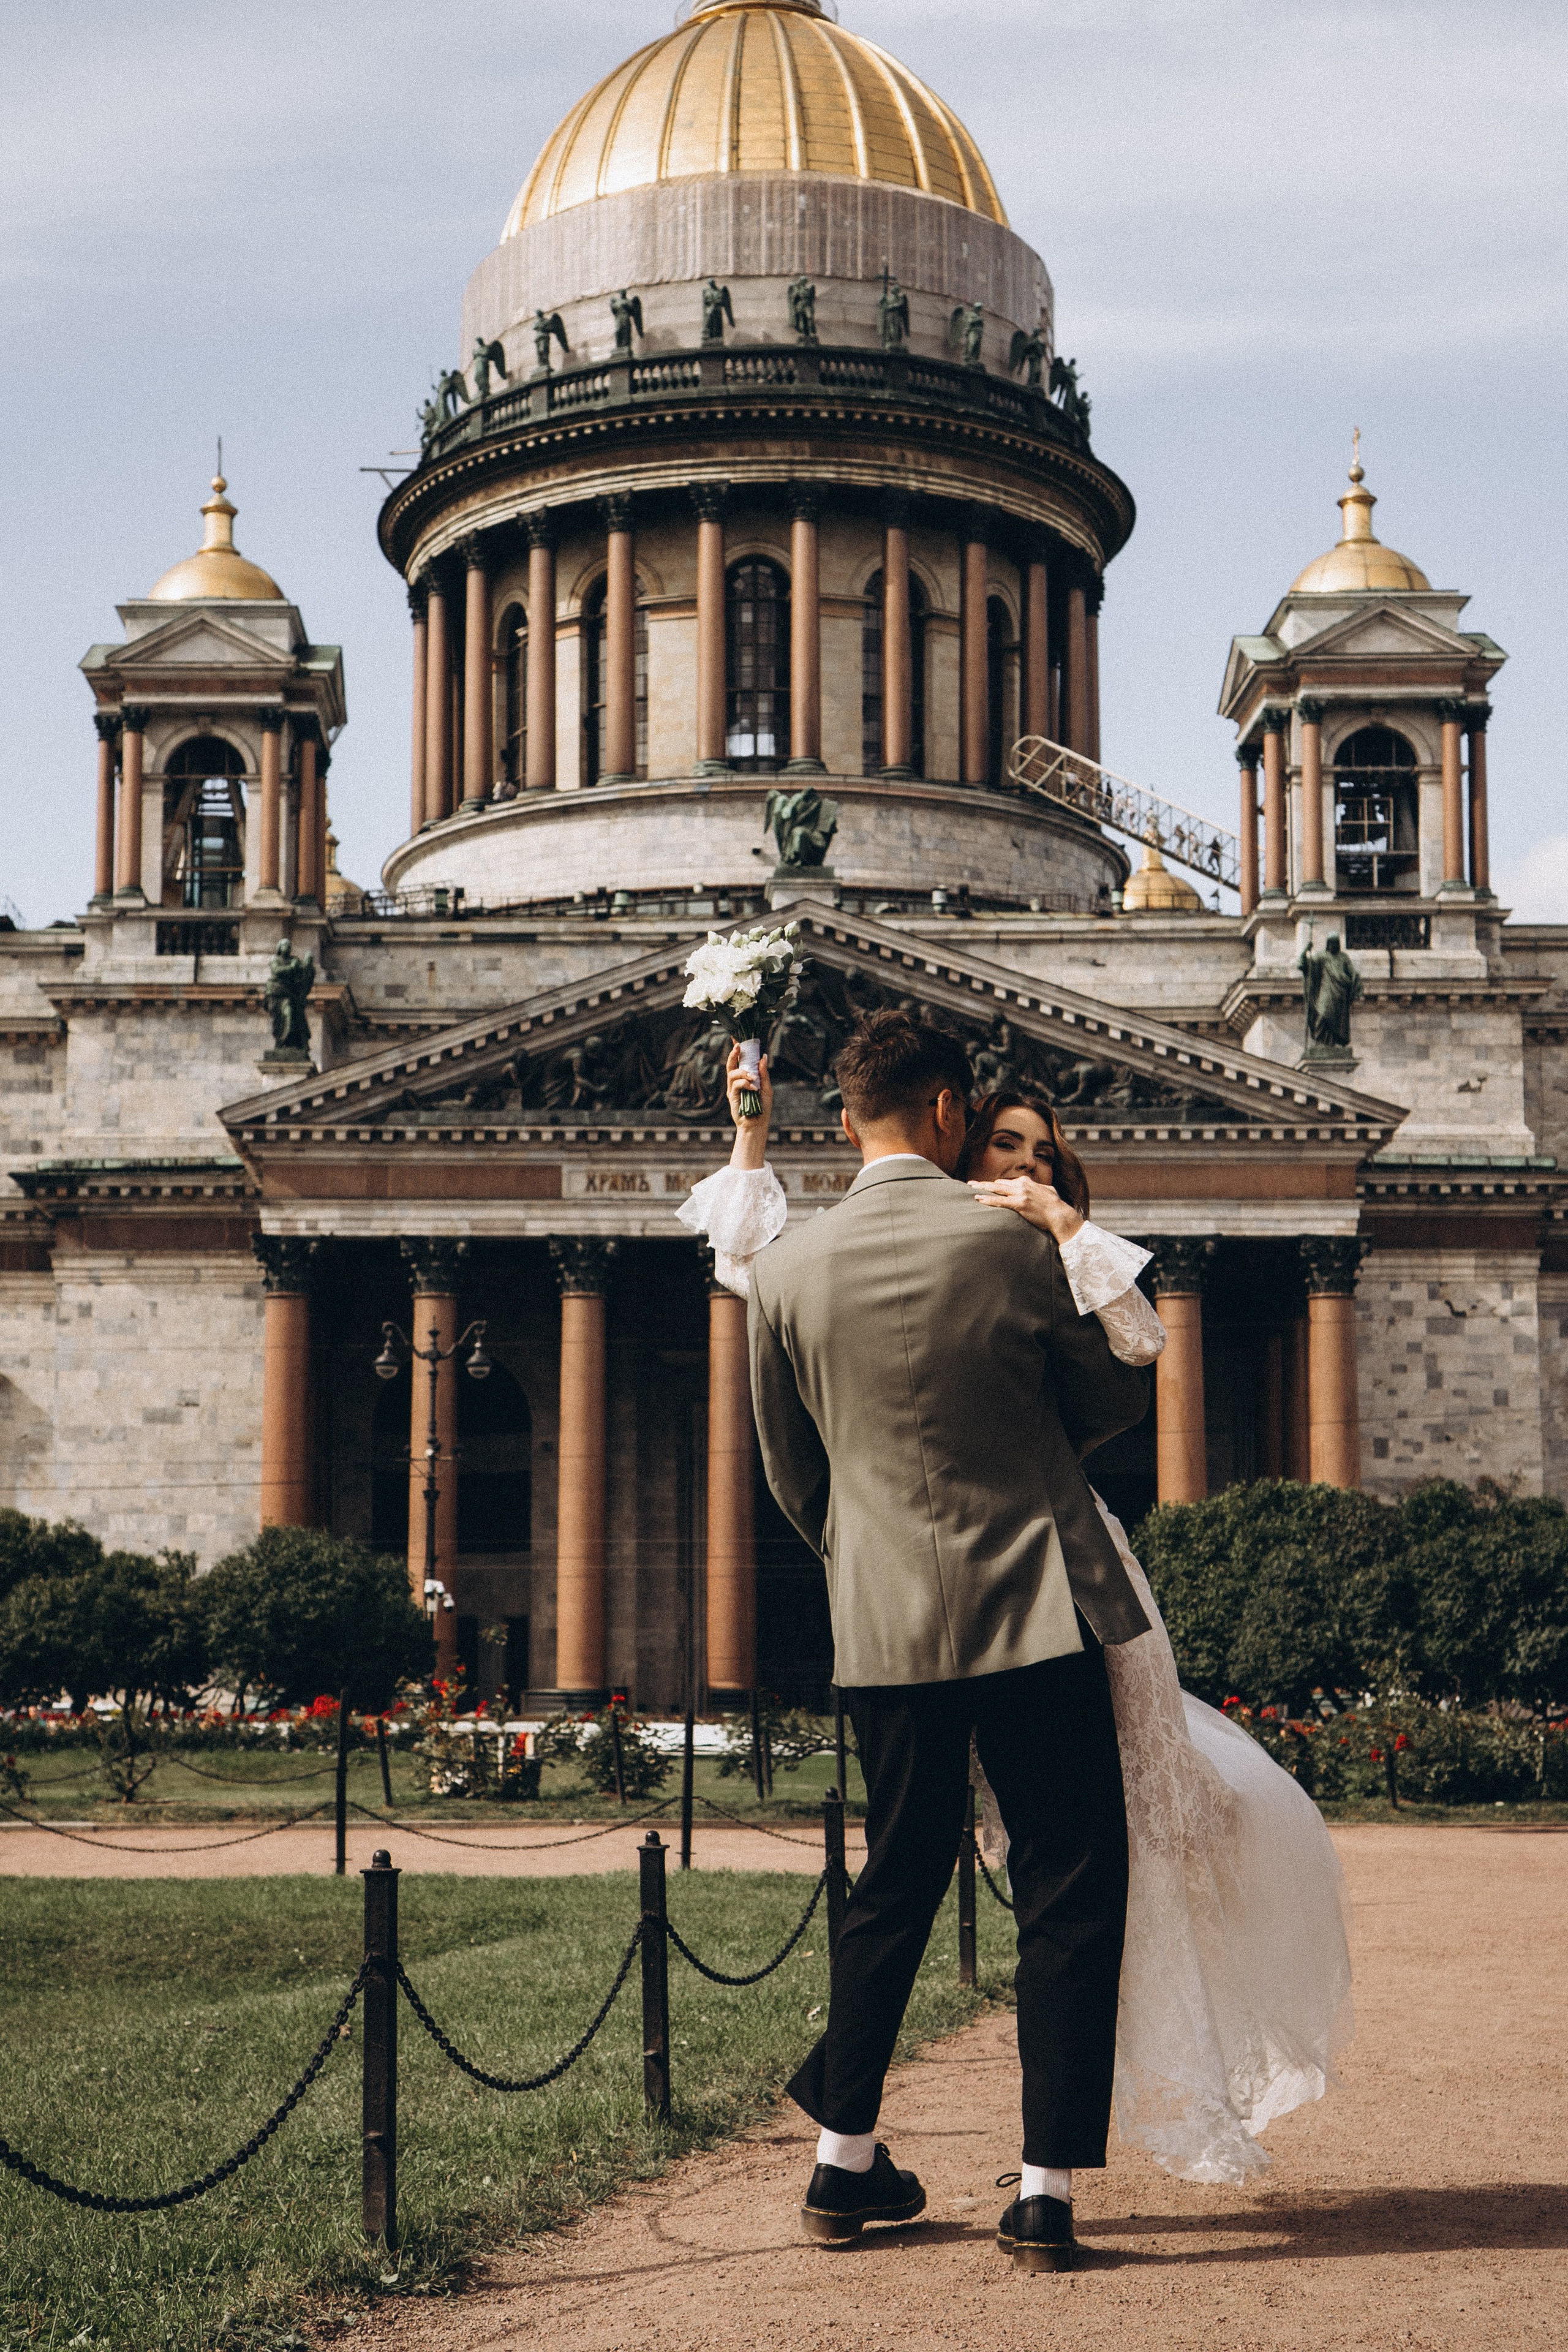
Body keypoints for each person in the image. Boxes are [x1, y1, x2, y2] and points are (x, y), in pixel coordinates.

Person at [678, 1016, 1352, 2264]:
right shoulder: (1007, 1242)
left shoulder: (784, 1274)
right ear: (947, 1115)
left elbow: (789, 1473)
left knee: (892, 1879)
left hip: (877, 1624)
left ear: (845, 1122)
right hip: (1036, 1606)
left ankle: (841, 2169)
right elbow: (1108, 1396)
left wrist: (872, 1561)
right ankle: (1042, 2194)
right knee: (1068, 1883)